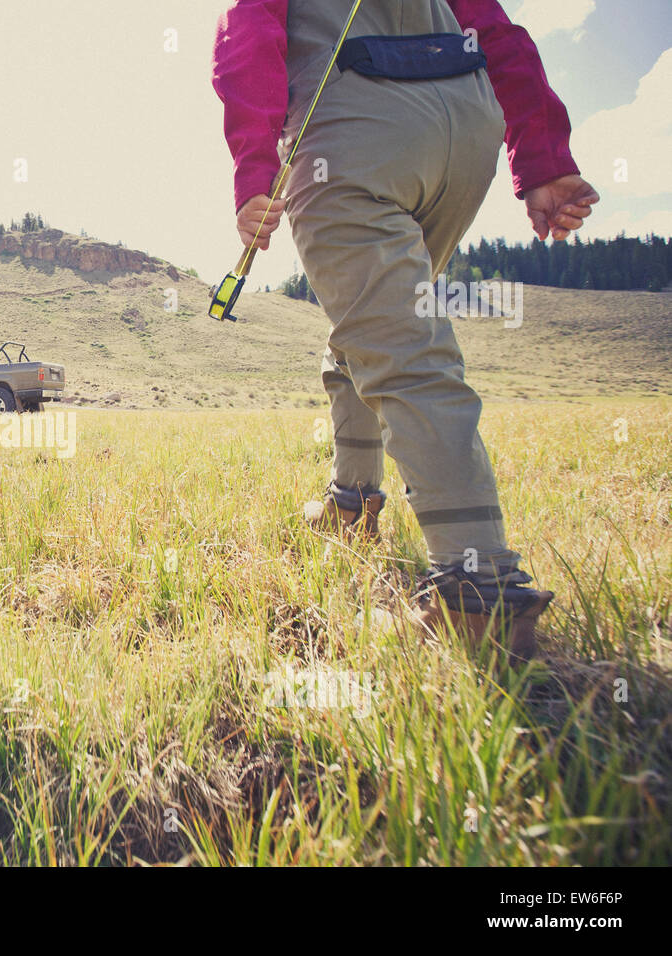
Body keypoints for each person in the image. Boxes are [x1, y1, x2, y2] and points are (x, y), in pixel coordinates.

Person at [212, 0, 600, 660]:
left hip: (354, 133)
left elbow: (247, 36)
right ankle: (353, 503)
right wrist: (541, 157)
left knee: (400, 348)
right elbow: (500, 35)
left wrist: (255, 171)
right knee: (371, 327)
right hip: (464, 130)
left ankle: (477, 595)